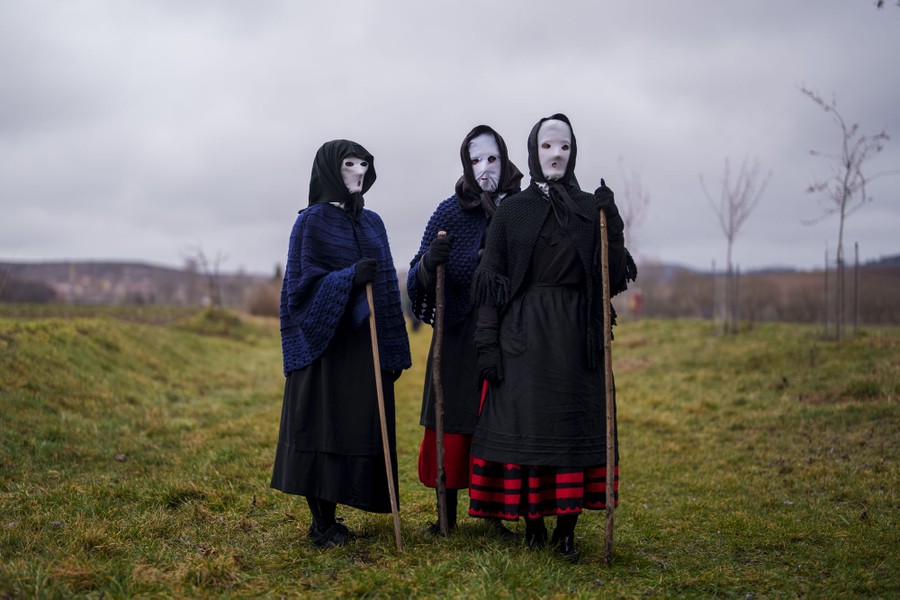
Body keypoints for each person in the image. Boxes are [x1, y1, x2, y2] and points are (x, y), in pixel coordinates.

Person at [468, 114, 636, 560]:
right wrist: (487, 343)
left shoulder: (588, 210)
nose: (556, 155)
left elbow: (613, 276)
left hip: (578, 341)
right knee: (527, 430)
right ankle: (533, 526)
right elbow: (490, 281)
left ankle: (567, 531)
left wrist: (612, 224)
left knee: (573, 432)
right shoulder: (512, 212)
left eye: (563, 146)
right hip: (523, 338)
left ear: (573, 151)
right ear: (533, 152)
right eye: (547, 147)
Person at [271, 139, 411, 549]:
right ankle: (322, 523)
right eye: (349, 164)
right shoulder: (310, 223)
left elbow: (386, 285)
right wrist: (348, 278)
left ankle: (346, 509)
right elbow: (301, 288)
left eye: (364, 164)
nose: (359, 171)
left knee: (358, 426)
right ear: (330, 170)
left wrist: (391, 343)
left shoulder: (374, 224)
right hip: (325, 347)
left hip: (364, 347)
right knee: (324, 428)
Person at [407, 125, 523, 537]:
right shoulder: (449, 211)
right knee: (451, 418)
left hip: (508, 333)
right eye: (475, 160)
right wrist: (428, 263)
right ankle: (446, 516)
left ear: (505, 158)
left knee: (499, 418)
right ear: (465, 164)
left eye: (491, 158)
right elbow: (414, 274)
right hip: (457, 332)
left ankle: (496, 513)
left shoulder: (521, 207)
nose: (484, 168)